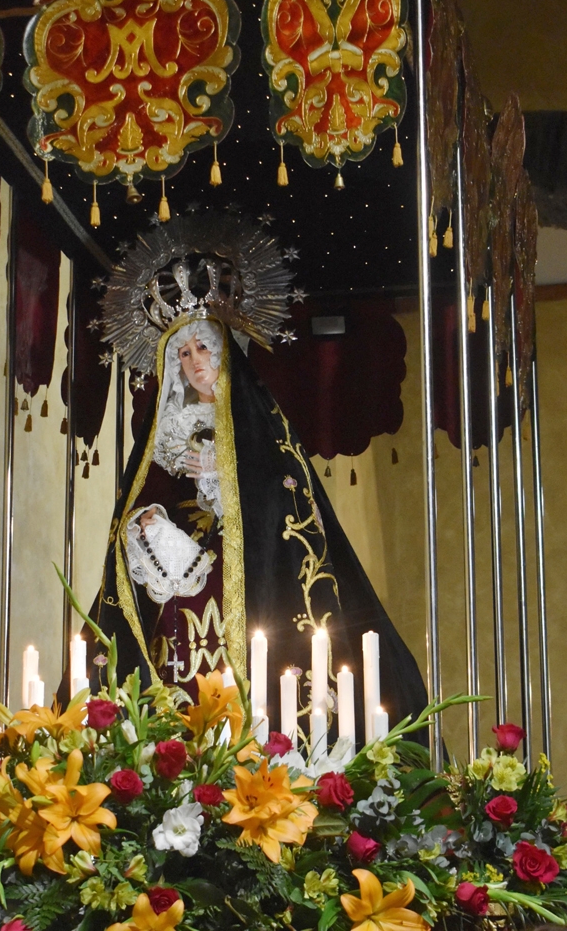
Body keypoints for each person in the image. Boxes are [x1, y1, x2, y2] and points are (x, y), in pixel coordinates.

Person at [85, 311, 429, 747]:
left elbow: (285, 496)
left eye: (203, 347)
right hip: (175, 584)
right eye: (184, 353)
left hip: (252, 575)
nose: (195, 362)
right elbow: (142, 496)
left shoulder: (258, 427)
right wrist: (147, 524)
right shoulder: (167, 429)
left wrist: (227, 473)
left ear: (225, 352)